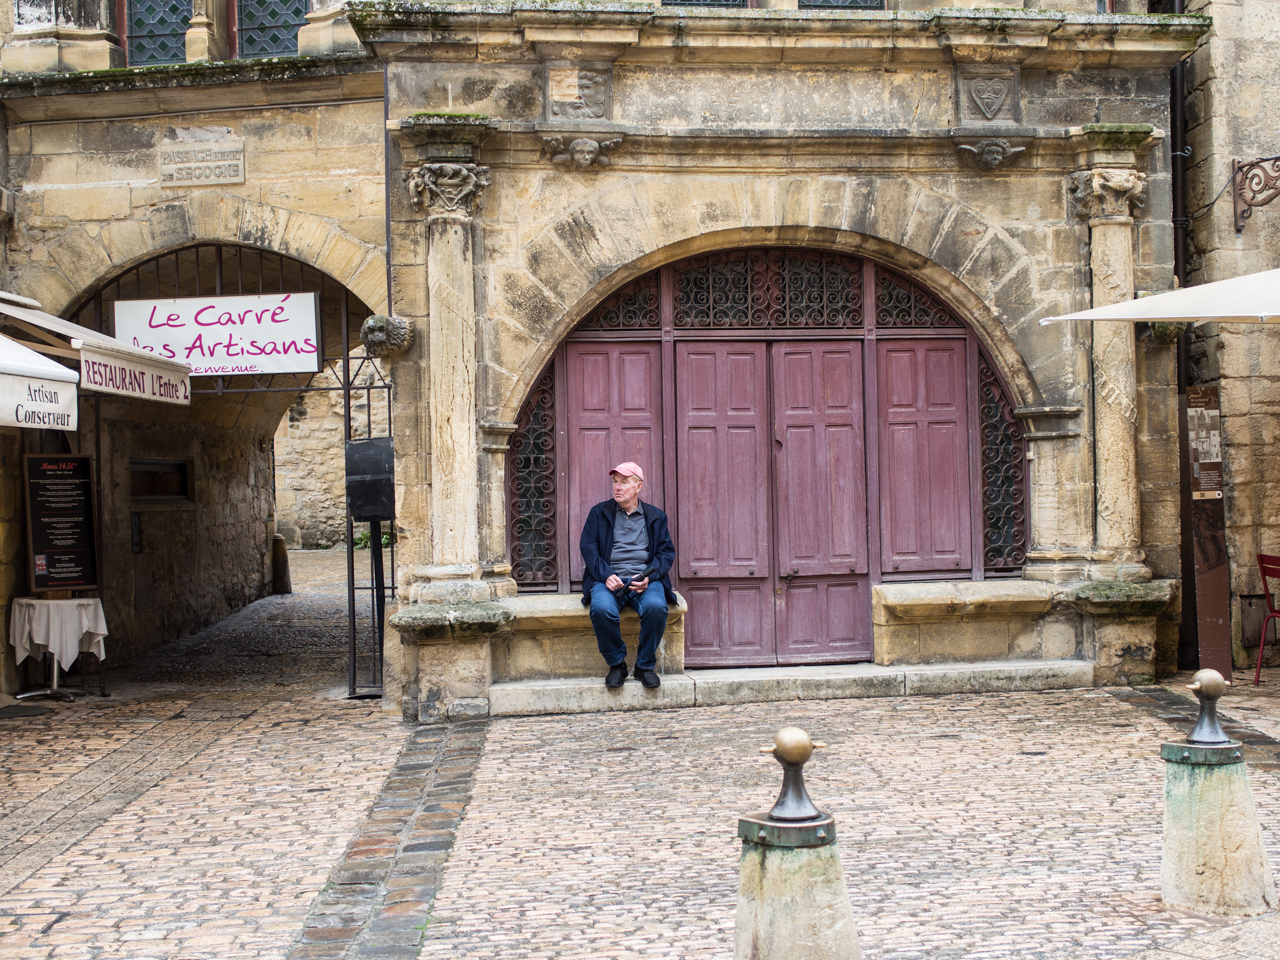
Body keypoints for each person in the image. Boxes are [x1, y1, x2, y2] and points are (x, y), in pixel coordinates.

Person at [579, 462, 676, 689]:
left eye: (624, 482)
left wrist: (649, 578)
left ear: (638, 486)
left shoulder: (656, 517)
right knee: (602, 609)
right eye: (615, 482)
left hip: (643, 580)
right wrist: (606, 575)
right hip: (608, 579)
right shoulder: (599, 512)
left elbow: (665, 553)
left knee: (655, 607)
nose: (617, 487)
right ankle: (616, 664)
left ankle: (644, 666)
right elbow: (588, 548)